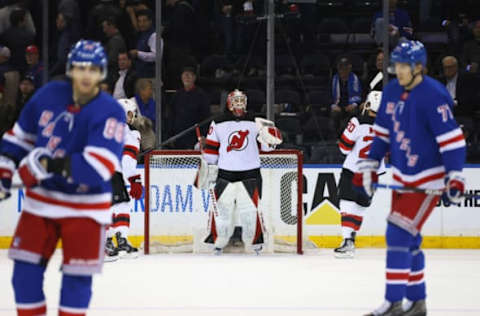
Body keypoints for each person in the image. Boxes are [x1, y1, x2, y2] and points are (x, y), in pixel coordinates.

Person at [0, 40, 126, 316]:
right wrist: (5, 166)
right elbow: (20, 138)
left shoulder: (111, 111)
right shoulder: (48, 95)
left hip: (87, 207)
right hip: (42, 202)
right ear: (70, 68)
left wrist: (49, 164)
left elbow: (98, 167)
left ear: (102, 73)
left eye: (92, 69)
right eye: (80, 67)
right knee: (24, 275)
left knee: (76, 278)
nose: (85, 74)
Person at [353, 41, 466, 316]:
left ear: (418, 67)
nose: (398, 71)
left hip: (428, 180)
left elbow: (452, 141)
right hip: (402, 176)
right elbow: (381, 134)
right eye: (397, 65)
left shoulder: (434, 95)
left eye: (404, 66)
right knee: (410, 239)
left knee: (397, 232)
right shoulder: (391, 91)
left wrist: (455, 176)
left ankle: (393, 302)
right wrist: (370, 163)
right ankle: (417, 302)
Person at [200, 89, 283, 255]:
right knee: (222, 215)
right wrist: (206, 157)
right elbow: (210, 155)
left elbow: (266, 148)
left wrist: (272, 138)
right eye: (235, 101)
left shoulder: (256, 122)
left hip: (250, 174)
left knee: (250, 214)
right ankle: (218, 243)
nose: (239, 105)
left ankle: (255, 244)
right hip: (225, 174)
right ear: (229, 104)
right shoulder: (218, 123)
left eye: (241, 101)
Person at [334, 91, 385, 259]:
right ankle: (351, 238)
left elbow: (344, 147)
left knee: (346, 204)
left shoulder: (357, 121)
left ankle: (347, 240)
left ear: (368, 105)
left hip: (354, 170)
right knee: (360, 207)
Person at [105, 98, 142, 261]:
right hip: (111, 172)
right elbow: (127, 162)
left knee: (117, 204)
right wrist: (135, 180)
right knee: (118, 205)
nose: (130, 116)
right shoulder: (131, 132)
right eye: (128, 113)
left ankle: (116, 240)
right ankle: (107, 243)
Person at [167, 67, 210, 149]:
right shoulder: (177, 95)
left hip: (194, 138)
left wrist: (204, 135)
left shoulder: (201, 95)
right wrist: (170, 135)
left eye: (189, 75)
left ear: (194, 78)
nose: (186, 78)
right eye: (184, 75)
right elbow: (171, 116)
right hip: (178, 137)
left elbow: (206, 117)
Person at [331, 56, 362, 136]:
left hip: (351, 105)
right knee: (334, 113)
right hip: (338, 105)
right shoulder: (334, 79)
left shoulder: (356, 79)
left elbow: (361, 95)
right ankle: (336, 137)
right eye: (341, 68)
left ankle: (351, 136)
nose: (343, 70)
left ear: (349, 68)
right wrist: (333, 105)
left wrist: (354, 104)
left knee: (354, 112)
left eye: (345, 68)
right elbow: (328, 96)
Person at [129, 9, 159, 79]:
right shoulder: (142, 35)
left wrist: (138, 54)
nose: (141, 24)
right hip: (141, 76)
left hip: (151, 77)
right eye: (139, 21)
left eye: (144, 21)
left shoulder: (154, 35)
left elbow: (156, 56)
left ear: (150, 21)